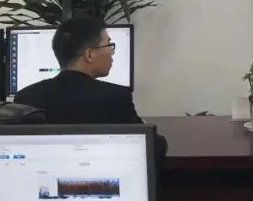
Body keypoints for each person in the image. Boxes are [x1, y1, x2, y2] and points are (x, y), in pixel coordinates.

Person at [14, 16, 168, 157]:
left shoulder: (26, 97)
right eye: (109, 45)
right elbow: (154, 148)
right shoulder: (116, 97)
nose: (112, 52)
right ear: (89, 55)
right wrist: (146, 128)